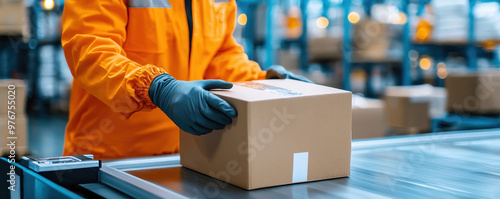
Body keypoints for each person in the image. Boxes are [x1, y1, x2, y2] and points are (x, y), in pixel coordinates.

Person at [61, 0, 312, 159]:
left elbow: (220, 56)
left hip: (183, 157)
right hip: (106, 161)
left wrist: (264, 82)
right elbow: (90, 51)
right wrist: (156, 87)